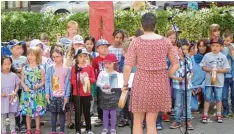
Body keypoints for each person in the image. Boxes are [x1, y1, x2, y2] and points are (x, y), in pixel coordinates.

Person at [122, 13, 179, 134]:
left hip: (141, 84)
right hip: (159, 85)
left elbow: (127, 67)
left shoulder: (136, 42)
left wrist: (125, 84)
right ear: (155, 25)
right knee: (151, 122)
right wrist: (167, 74)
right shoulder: (166, 41)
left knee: (137, 122)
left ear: (141, 26)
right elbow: (176, 64)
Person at [200, 37, 230, 123]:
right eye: (213, 46)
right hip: (209, 82)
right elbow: (203, 66)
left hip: (219, 82)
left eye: (217, 46)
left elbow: (227, 69)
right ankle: (205, 114)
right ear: (210, 46)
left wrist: (218, 70)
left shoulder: (223, 57)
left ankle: (219, 114)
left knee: (218, 98)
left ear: (221, 46)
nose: (215, 48)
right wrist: (209, 70)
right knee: (207, 98)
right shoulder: (207, 56)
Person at [170, 39, 196, 130]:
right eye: (182, 48)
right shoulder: (174, 60)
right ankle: (177, 120)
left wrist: (189, 77)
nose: (184, 51)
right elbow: (170, 74)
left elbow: (192, 71)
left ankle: (187, 120)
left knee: (187, 104)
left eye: (186, 49)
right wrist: (177, 78)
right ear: (177, 48)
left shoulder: (188, 59)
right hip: (178, 86)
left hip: (187, 86)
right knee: (178, 104)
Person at [20, 47, 46, 134]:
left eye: (32, 55)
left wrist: (39, 85)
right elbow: (22, 81)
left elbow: (43, 81)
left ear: (37, 56)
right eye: (28, 55)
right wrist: (24, 87)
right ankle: (28, 129)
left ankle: (37, 129)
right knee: (28, 113)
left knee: (37, 113)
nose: (29, 57)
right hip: (27, 93)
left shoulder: (40, 68)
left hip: (37, 93)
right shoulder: (25, 68)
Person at [45, 47, 71, 134]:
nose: (55, 59)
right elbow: (47, 81)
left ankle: (62, 131)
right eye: (54, 57)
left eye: (57, 56)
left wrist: (66, 96)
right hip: (53, 95)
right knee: (53, 114)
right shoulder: (50, 68)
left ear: (62, 56)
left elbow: (67, 83)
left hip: (62, 95)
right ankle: (53, 130)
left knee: (62, 114)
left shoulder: (67, 69)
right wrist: (47, 93)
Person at [71, 48, 96, 134]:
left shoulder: (89, 67)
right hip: (77, 94)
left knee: (87, 112)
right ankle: (78, 130)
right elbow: (72, 81)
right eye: (80, 56)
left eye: (84, 56)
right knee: (78, 112)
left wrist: (87, 79)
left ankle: (88, 129)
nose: (83, 58)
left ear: (87, 57)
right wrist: (79, 80)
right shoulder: (74, 68)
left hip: (86, 93)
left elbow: (93, 79)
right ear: (77, 58)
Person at [96, 54, 119, 134]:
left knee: (113, 113)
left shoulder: (117, 74)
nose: (107, 65)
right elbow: (98, 83)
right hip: (104, 96)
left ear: (114, 63)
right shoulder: (102, 73)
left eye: (109, 63)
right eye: (106, 63)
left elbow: (119, 85)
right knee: (105, 112)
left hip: (113, 95)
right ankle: (105, 127)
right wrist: (103, 85)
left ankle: (113, 128)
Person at [9, 39, 27, 132]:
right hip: (14, 87)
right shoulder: (9, 59)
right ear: (11, 49)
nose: (19, 50)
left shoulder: (24, 59)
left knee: (24, 104)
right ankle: (17, 123)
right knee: (15, 105)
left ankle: (24, 123)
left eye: (20, 48)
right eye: (17, 48)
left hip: (23, 86)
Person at [92, 39, 110, 127]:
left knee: (109, 100)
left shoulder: (110, 57)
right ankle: (100, 118)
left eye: (106, 47)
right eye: (102, 47)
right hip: (100, 84)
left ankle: (110, 117)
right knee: (100, 101)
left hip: (110, 83)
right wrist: (95, 80)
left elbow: (116, 69)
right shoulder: (95, 60)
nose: (104, 49)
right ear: (97, 49)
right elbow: (92, 70)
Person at [1, 56, 20, 134]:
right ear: (1, 65)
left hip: (12, 98)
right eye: (5, 64)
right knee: (3, 116)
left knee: (12, 115)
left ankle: (13, 130)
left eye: (9, 64)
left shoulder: (13, 75)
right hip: (2, 98)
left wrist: (15, 92)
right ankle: (3, 130)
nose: (7, 66)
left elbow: (18, 85)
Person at [191, 39, 211, 112]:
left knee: (208, 88)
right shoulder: (192, 58)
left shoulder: (209, 58)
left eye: (203, 46)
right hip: (192, 85)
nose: (201, 48)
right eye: (200, 46)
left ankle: (205, 102)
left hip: (204, 84)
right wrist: (191, 86)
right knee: (193, 108)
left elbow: (209, 75)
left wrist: (201, 87)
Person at [84, 36, 98, 116]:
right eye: (87, 44)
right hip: (84, 77)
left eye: (91, 44)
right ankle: (85, 110)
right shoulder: (82, 54)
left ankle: (91, 110)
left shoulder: (96, 54)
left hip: (92, 77)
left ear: (93, 45)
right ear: (84, 44)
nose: (89, 46)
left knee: (92, 94)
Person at [221, 30, 234, 117]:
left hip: (233, 76)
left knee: (233, 95)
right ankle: (226, 109)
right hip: (224, 76)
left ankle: (233, 109)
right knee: (224, 95)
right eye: (224, 40)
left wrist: (232, 53)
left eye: (228, 41)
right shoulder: (222, 49)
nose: (226, 43)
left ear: (231, 40)